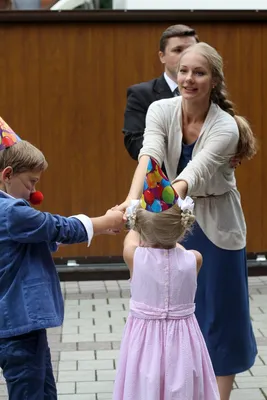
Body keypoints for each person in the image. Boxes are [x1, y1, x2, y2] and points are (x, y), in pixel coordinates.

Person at [117, 42, 257, 400]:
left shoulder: (226, 127)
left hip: (214, 223)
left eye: (199, 72)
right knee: (175, 317)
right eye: (183, 71)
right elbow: (148, 158)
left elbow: (191, 175)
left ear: (214, 81)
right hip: (170, 220)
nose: (189, 79)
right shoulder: (160, 109)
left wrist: (152, 209)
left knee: (220, 317)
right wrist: (131, 204)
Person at [0, 118, 125, 400]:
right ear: (7, 174)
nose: (35, 193)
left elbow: (43, 233)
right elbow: (55, 227)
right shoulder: (11, 212)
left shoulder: (12, 212)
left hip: (23, 325)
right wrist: (104, 222)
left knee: (44, 391)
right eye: (31, 182)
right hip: (18, 324)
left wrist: (101, 226)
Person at [113, 157, 220, 400]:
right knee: (182, 384)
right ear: (182, 228)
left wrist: (135, 218)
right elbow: (177, 252)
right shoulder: (194, 258)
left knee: (144, 385)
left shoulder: (135, 258)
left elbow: (130, 237)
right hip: (183, 341)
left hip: (145, 342)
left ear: (139, 225)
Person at [123, 24, 199, 162]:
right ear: (162, 56)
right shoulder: (141, 94)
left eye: (191, 50)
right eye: (178, 50)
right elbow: (135, 144)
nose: (186, 56)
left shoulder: (208, 90)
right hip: (162, 178)